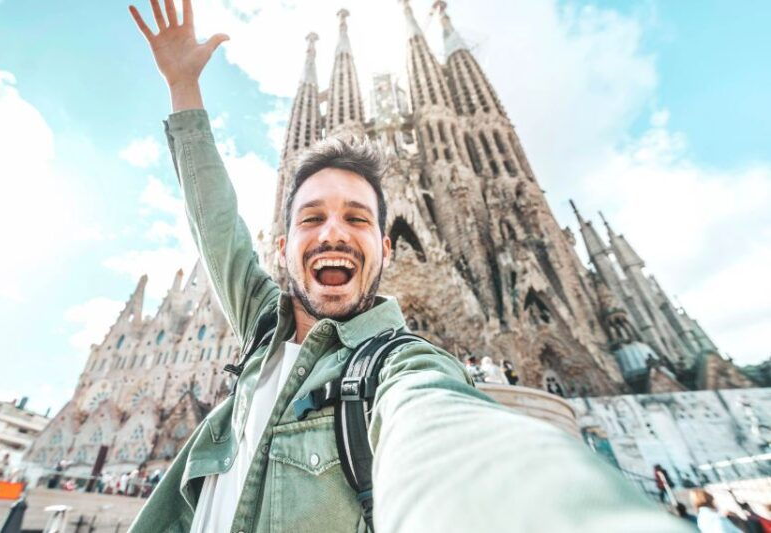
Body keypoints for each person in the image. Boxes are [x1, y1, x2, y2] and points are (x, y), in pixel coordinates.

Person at [126, 1, 693, 531]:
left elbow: (444, 429)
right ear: (280, 245)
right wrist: (184, 88)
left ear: (386, 247)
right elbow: (215, 224)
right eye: (312, 217)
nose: (333, 233)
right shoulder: (261, 325)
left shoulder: (396, 364)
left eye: (357, 217)